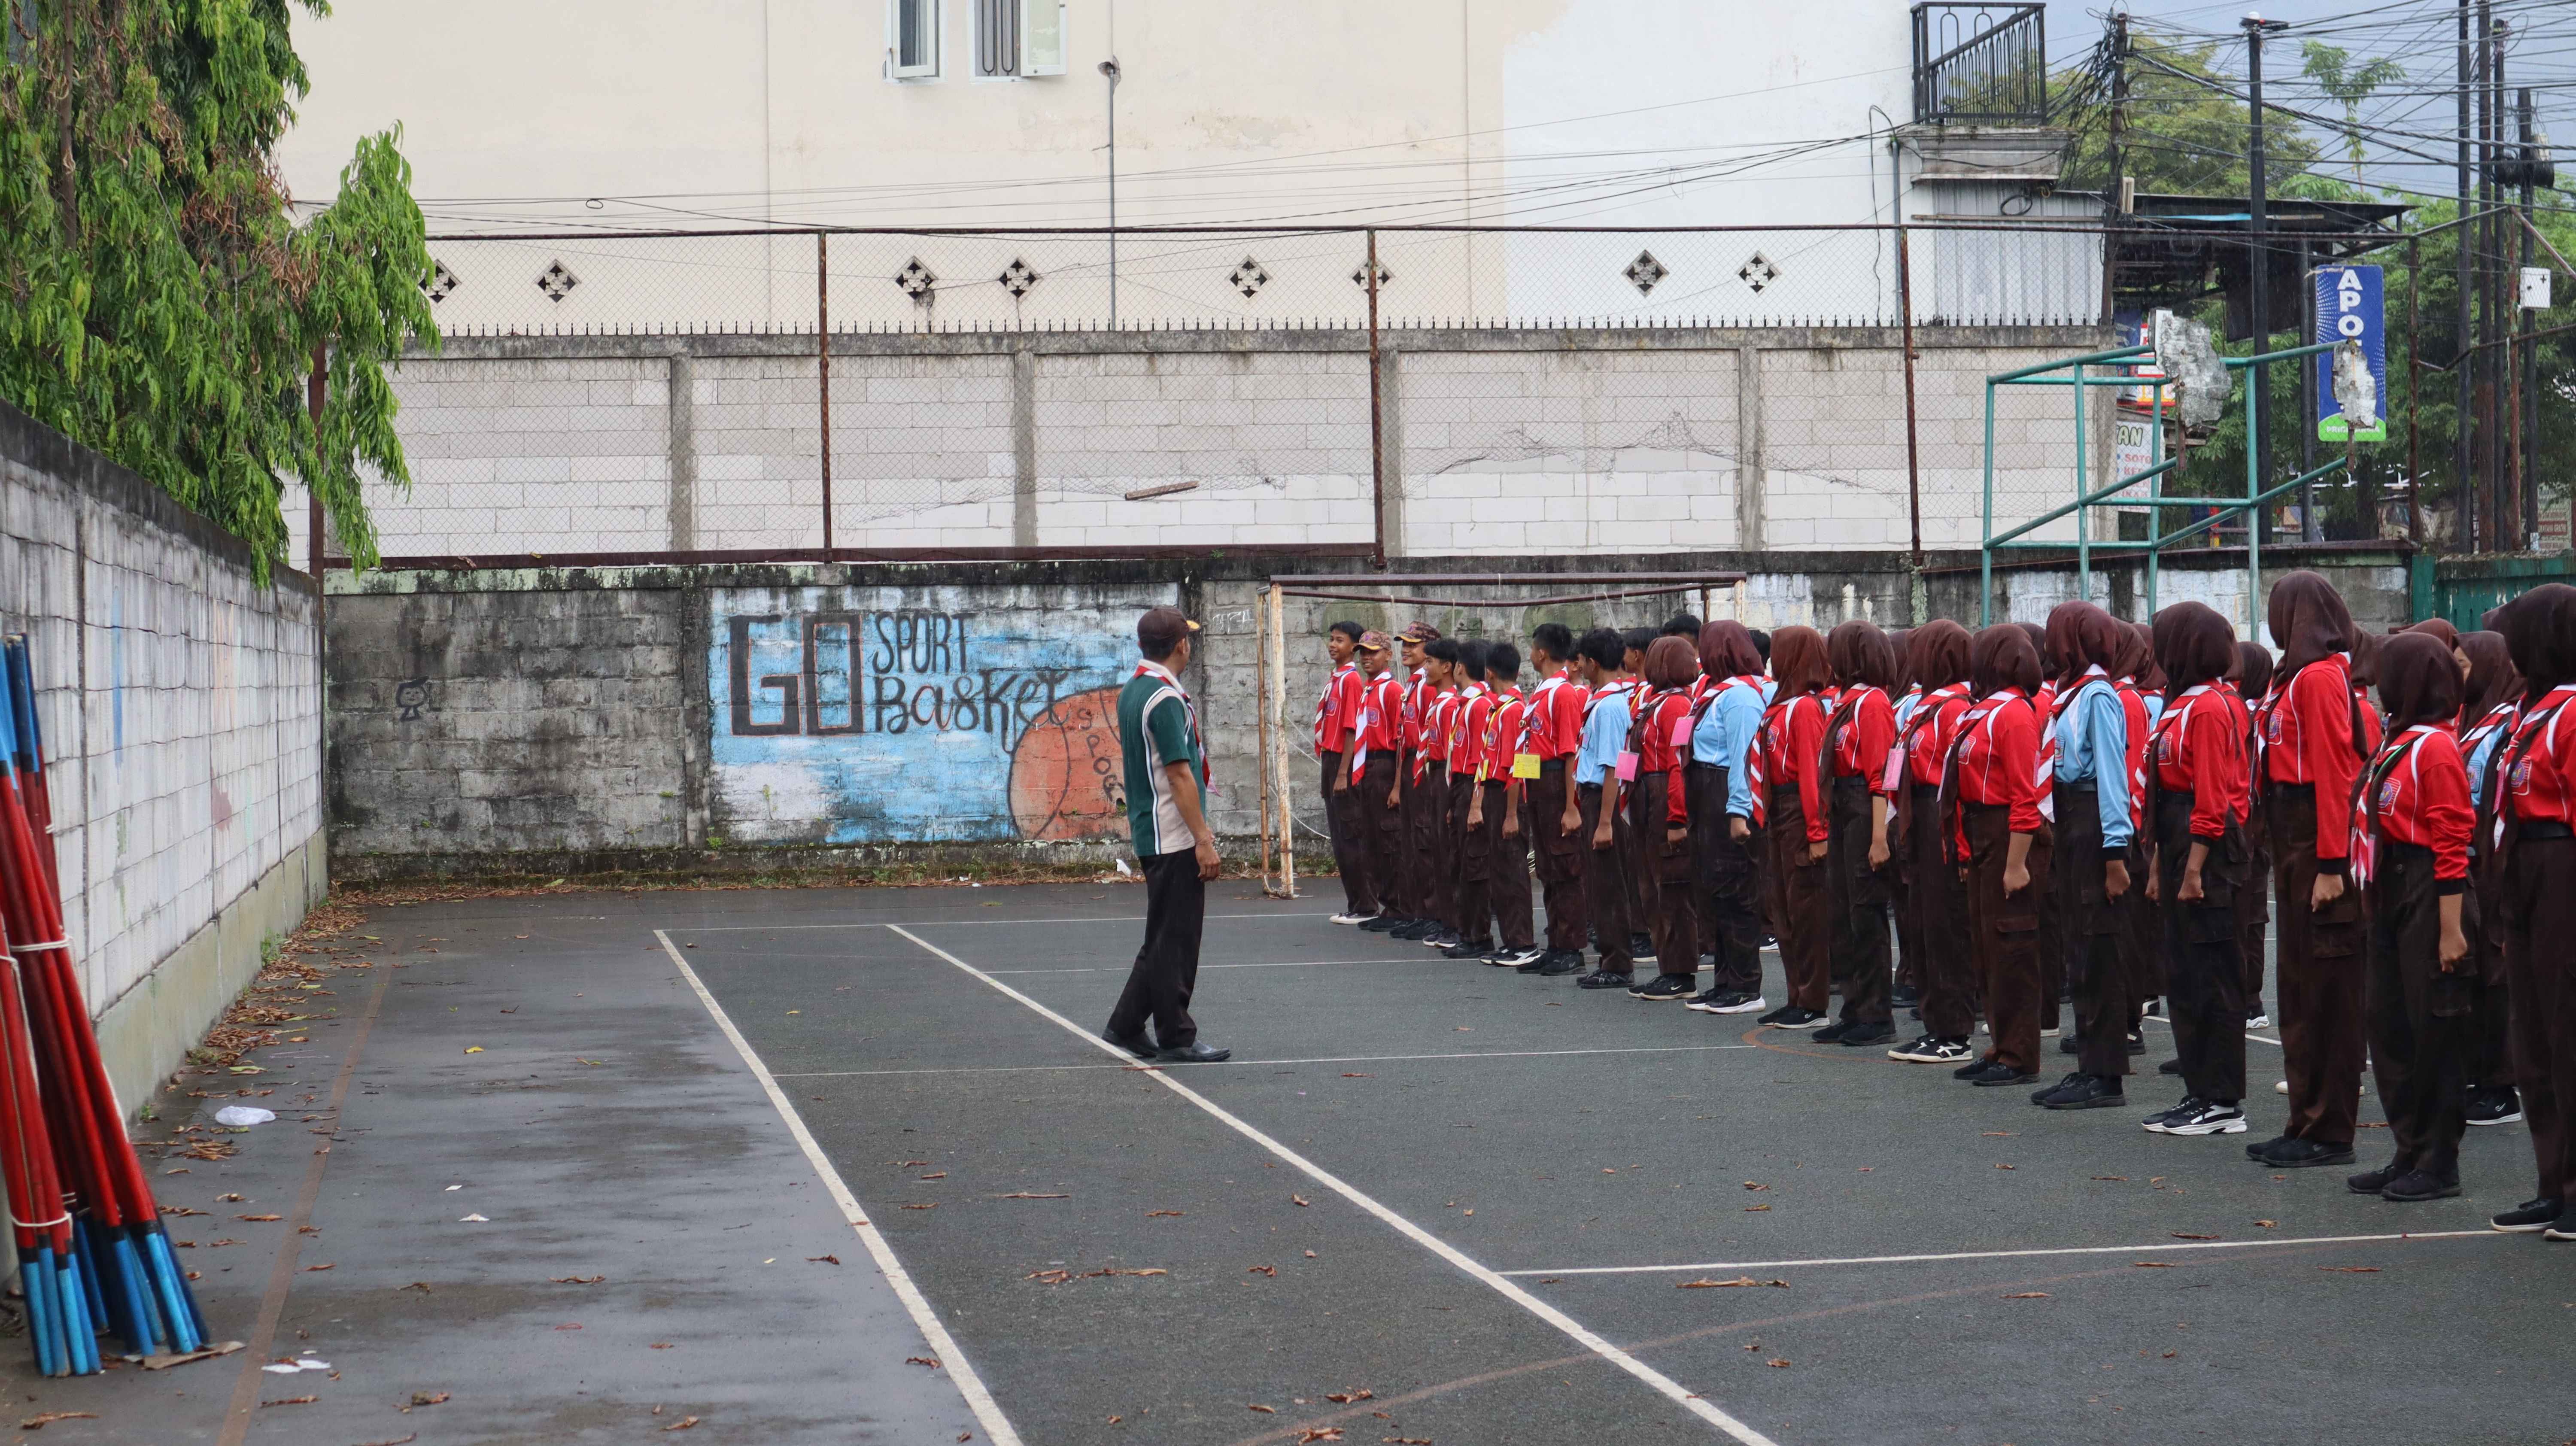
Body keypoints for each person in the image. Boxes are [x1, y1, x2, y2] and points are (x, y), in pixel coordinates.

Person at [2347, 630, 2476, 1203]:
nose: (2380, 685)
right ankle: (2409, 1146)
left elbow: (2452, 837)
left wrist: (2450, 929)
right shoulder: (2398, 740)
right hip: (2391, 884)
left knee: (2434, 1028)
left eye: (2390, 674)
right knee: (2389, 1022)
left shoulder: (2436, 748)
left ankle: (2440, 1160)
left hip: (2427, 885)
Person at [2249, 571, 2369, 1170]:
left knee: (2326, 992)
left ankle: (2330, 1129)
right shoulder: (2291, 678)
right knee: (2298, 988)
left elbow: (2335, 773)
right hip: (2290, 834)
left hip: (2314, 838)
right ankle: (2304, 1119)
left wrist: (2331, 863)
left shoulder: (2320, 678)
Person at [2141, 602, 2254, 1137]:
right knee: (2185, 975)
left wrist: (2194, 870)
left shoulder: (2209, 706)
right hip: (2178, 837)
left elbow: (2212, 794)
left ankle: (2223, 1100)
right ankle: (2199, 1089)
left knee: (2213, 976)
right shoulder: (2181, 703)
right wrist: (2159, 862)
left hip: (2205, 845)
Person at [1104, 607, 1230, 1065]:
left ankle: (1125, 1024)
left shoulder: (1137, 688)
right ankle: (1176, 1035)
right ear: (1181, 645)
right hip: (1172, 832)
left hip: (1151, 825)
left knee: (1163, 935)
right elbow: (1179, 775)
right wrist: (1203, 839)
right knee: (1176, 939)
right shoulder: (1164, 698)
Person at [2488, 583, 2576, 1237]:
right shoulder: (2532, 709)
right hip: (2525, 867)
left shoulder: (2571, 713)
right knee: (2535, 1034)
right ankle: (2554, 1181)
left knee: (2568, 1027)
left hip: (2561, 864)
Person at [2035, 603, 2136, 1111]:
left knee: (2099, 950)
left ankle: (2106, 1074)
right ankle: (2088, 1065)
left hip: (2095, 821)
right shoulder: (2070, 693)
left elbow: (2113, 775)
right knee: (2078, 947)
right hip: (2073, 820)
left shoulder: (2097, 696)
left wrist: (2115, 851)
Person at [1944, 624, 2055, 1087]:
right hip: (1982, 831)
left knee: (2013, 947)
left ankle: (2019, 1054)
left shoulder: (2013, 714)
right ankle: (2000, 1044)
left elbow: (2025, 795)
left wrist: (2015, 864)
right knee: (1988, 948)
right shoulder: (1984, 711)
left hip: (2007, 832)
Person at [1888, 620, 1977, 1064]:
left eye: (1920, 651)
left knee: (1946, 928)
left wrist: (1957, 844)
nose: (1912, 660)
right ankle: (1934, 1023)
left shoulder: (1955, 708)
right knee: (1923, 924)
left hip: (1938, 816)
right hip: (1918, 815)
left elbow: (1955, 783)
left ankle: (1954, 1031)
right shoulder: (1926, 705)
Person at [1815, 621, 1901, 1048]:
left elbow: (1880, 774)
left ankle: (1876, 1013)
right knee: (1843, 913)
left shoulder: (1873, 703)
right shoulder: (1846, 701)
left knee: (1866, 912)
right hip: (1843, 805)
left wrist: (1879, 836)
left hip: (1865, 807)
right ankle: (1853, 1009)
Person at [2456, 630, 2524, 1127]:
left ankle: (2502, 1085)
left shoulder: (2506, 724)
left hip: (2493, 863)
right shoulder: (2473, 718)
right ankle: (2481, 1073)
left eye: (2464, 664)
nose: (2457, 673)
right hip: (2471, 861)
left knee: (2497, 972)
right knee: (2477, 970)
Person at [1688, 621, 1770, 1015]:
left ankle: (1745, 985)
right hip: (1708, 792)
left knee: (1737, 891)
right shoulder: (1716, 693)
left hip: (1726, 793)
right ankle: (1724, 981)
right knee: (1717, 892)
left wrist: (1739, 812)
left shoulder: (1740, 697)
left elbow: (1743, 756)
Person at [1757, 626, 1834, 1029]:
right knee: (1784, 909)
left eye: (1779, 653)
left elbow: (1811, 774)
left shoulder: (1803, 708)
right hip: (1779, 811)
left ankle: (1813, 1001)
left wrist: (1816, 832)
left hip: (1797, 812)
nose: (1773, 661)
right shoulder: (1781, 705)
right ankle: (1795, 995)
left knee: (1806, 911)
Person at [1628, 636, 1703, 1000]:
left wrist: (1677, 817)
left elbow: (1677, 763)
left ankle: (1680, 971)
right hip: (1645, 791)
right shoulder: (1654, 702)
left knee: (1672, 887)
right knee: (1652, 889)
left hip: (1661, 793)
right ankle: (1666, 966)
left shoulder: (1676, 705)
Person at [1524, 623, 1593, 975]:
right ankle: (1556, 942)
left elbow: (1569, 754)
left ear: (1542, 653)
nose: (1531, 654)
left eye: (1533, 648)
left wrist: (1571, 807)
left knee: (1566, 867)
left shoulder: (1563, 694)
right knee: (1548, 867)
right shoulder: (1541, 693)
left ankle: (1571, 947)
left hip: (1555, 781)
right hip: (1538, 780)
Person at [1574, 628, 1641, 989]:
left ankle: (1618, 963)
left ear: (1593, 662)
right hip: (1593, 797)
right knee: (1599, 883)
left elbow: (1616, 766)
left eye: (1582, 660)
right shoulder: (1601, 701)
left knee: (1609, 884)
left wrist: (1605, 822)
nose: (1579, 667)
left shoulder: (1612, 705)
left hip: (1604, 800)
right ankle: (1609, 957)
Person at [1467, 642, 1539, 967]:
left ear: (1489, 674)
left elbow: (1520, 765)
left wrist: (1512, 813)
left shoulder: (1513, 711)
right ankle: (1511, 941)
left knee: (1513, 872)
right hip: (1496, 794)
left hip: (1509, 795)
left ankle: (1523, 943)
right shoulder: (1499, 709)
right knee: (1500, 872)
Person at [1317, 620, 1379, 926]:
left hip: (1342, 761)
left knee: (1351, 836)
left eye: (1340, 640)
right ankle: (1355, 902)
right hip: (1330, 759)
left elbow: (1352, 729)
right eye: (1331, 639)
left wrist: (1344, 772)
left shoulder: (1351, 681)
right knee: (1340, 839)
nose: (1333, 645)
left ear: (1353, 647)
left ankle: (1365, 905)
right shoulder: (1337, 679)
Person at [1348, 632, 1409, 934]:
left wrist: (1397, 786)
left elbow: (1401, 742)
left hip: (1384, 764)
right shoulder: (1368, 689)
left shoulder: (1392, 690)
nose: (1366, 658)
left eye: (1373, 652)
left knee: (1389, 839)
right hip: (1368, 766)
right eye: (1363, 652)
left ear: (1387, 654)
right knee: (1372, 839)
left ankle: (1399, 905)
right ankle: (1387, 904)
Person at [2231, 641, 2277, 1030]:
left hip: (2246, 829)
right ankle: (2249, 1000)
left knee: (2246, 918)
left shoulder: (2251, 716)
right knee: (2252, 918)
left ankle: (2249, 1001)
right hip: (2256, 831)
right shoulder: (2261, 713)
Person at [1390, 623, 1446, 941]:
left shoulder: (1427, 688)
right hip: (1410, 760)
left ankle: (1433, 911)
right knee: (1412, 842)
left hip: (1424, 764)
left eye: (1414, 644)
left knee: (1426, 840)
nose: (1407, 649)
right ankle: (1419, 910)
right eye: (1405, 644)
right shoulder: (1413, 685)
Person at [1443, 642, 1499, 960]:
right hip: (1461, 787)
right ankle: (1466, 930)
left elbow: (1482, 760)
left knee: (1475, 864)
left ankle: (1478, 935)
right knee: (1461, 862)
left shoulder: (1479, 706)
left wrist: (1475, 804)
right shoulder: (1466, 704)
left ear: (1460, 668)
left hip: (1472, 786)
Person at [1406, 637, 1462, 949]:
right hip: (1434, 772)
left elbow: (1454, 753)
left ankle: (1455, 922)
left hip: (1445, 773)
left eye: (1430, 662)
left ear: (1447, 667)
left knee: (1448, 852)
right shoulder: (1439, 702)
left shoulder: (1451, 704)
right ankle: (1445, 919)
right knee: (1436, 848)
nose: (1425, 668)